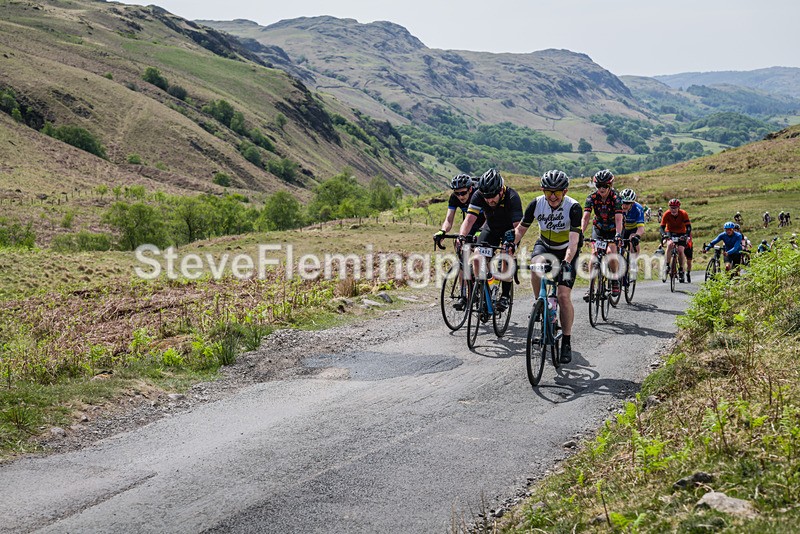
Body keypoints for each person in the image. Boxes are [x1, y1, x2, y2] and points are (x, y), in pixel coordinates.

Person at [513, 170, 581, 363]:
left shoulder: (573, 207)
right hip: (544, 245)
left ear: (565, 192)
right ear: (543, 190)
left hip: (567, 250)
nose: (552, 196)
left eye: (557, 192)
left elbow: (574, 242)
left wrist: (567, 262)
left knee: (563, 295)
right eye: (548, 192)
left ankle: (566, 341)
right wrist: (510, 247)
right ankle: (540, 303)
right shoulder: (536, 204)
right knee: (536, 266)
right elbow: (521, 230)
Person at [458, 168, 523, 313]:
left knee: (506, 257)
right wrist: (461, 236)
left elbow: (518, 226)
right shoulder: (478, 195)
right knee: (476, 257)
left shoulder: (512, 197)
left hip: (510, 231)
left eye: (493, 196)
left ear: (501, 190)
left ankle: (505, 295)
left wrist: (511, 243)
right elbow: (469, 220)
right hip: (491, 228)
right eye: (486, 197)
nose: (489, 200)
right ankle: (483, 289)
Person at [434, 174, 485, 310]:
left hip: (484, 225)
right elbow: (449, 219)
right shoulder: (454, 198)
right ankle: (464, 296)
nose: (460, 196)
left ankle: (484, 283)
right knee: (463, 261)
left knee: (480, 255)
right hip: (468, 226)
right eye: (457, 193)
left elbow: (489, 217)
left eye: (463, 193)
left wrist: (481, 231)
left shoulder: (479, 195)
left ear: (470, 189)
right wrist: (443, 231)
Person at [581, 169, 624, 297]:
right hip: (599, 228)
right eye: (599, 185)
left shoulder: (616, 198)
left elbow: (618, 218)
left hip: (612, 229)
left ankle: (615, 279)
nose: (602, 188)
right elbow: (586, 217)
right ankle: (591, 287)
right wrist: (581, 233)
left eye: (605, 186)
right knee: (594, 255)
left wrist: (618, 234)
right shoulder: (592, 198)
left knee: (611, 252)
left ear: (610, 186)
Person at [660, 198, 692, 282]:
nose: (673, 210)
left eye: (675, 208)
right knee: (670, 244)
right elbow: (662, 227)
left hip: (681, 233)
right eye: (671, 207)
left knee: (681, 250)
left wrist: (687, 235)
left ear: (678, 208)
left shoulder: (683, 214)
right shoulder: (666, 214)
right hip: (670, 232)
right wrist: (664, 235)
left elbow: (688, 227)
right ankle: (667, 265)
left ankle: (681, 269)